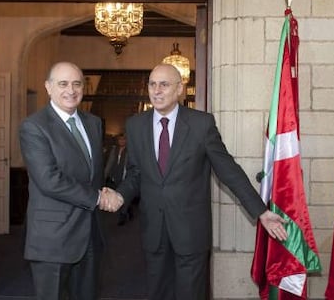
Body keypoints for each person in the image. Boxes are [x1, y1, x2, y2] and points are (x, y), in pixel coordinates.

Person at [106, 63, 288, 300]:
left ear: (179, 89)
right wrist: (120, 195)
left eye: (164, 84)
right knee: (156, 292)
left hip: (190, 231)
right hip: (153, 229)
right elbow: (136, 173)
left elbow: (228, 170)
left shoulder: (201, 124)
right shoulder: (135, 125)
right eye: (152, 84)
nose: (157, 90)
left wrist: (261, 211)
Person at [18, 61, 122, 300]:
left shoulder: (93, 123)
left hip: (90, 235)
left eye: (77, 84)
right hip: (53, 237)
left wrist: (106, 192)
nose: (71, 90)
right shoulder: (34, 126)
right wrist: (98, 198)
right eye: (63, 83)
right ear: (48, 87)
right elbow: (48, 179)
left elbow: (92, 174)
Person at [104, 133, 135, 225]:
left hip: (126, 175)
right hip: (116, 175)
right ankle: (128, 210)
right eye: (120, 139)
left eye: (124, 139)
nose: (122, 141)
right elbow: (110, 162)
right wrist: (105, 175)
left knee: (124, 194)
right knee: (120, 194)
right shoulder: (114, 149)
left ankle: (123, 214)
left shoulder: (130, 150)